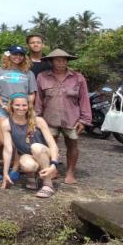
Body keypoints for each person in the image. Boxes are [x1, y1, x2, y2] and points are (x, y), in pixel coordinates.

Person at [35, 49, 91, 184]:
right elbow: (38, 99)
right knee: (49, 144)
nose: (61, 63)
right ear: (51, 61)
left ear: (68, 61)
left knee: (72, 145)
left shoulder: (78, 77)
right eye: (57, 60)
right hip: (49, 118)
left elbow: (84, 100)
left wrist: (84, 120)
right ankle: (52, 170)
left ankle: (70, 172)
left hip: (72, 119)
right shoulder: (42, 77)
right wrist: (37, 117)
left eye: (64, 60)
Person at [0, 44, 37, 181]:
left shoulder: (28, 73)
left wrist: (28, 107)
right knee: (2, 141)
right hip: (4, 110)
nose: (18, 57)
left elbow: (32, 93)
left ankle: (15, 168)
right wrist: (3, 105)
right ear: (9, 55)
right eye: (15, 54)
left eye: (21, 55)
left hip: (22, 111)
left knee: (18, 142)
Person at [0, 94, 60, 198]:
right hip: (28, 155)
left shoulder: (39, 121)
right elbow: (8, 150)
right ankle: (31, 176)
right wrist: (5, 173)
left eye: (24, 105)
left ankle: (48, 184)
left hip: (45, 153)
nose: (21, 108)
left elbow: (53, 145)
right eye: (17, 105)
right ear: (11, 106)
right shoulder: (6, 123)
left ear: (29, 106)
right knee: (27, 164)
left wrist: (54, 164)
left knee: (35, 147)